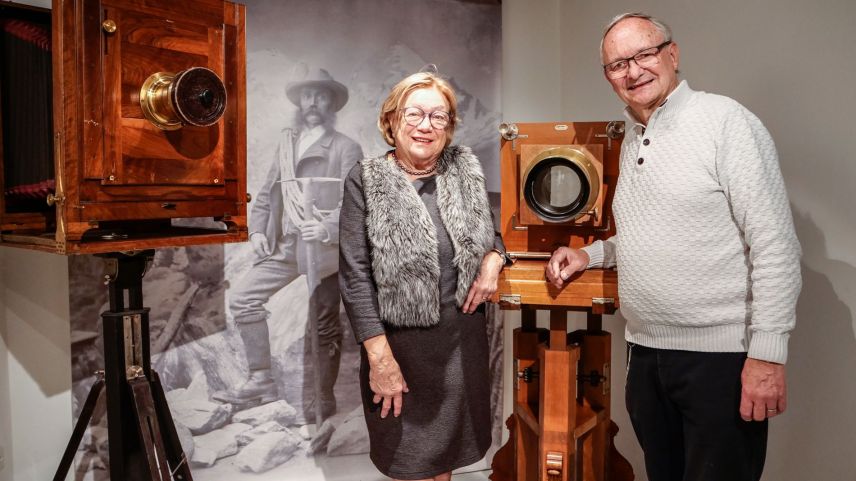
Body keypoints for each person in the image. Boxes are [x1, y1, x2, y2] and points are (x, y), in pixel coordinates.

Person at [545, 12, 802, 481]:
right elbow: (653, 231)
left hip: (722, 361)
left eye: (643, 54)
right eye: (617, 64)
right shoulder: (630, 136)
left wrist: (767, 355)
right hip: (645, 357)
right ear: (608, 76)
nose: (633, 70)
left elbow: (775, 245)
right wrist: (591, 255)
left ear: (672, 54)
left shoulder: (725, 121)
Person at [338, 72, 508, 481]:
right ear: (392, 120)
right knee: (410, 462)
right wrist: (380, 360)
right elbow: (355, 276)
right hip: (399, 352)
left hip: (458, 349)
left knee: (442, 467)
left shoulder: (464, 171)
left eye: (438, 115)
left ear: (449, 126)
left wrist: (495, 259)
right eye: (414, 114)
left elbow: (492, 234)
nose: (425, 125)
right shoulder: (367, 180)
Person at [214, 68, 363, 424]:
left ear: (331, 103)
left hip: (325, 252)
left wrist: (326, 227)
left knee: (324, 326)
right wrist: (258, 232)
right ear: (299, 101)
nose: (312, 102)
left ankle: (323, 403)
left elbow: (356, 199)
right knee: (243, 298)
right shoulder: (287, 145)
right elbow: (267, 193)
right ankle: (262, 379)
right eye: (307, 95)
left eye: (320, 95)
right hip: (286, 246)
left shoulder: (345, 147)